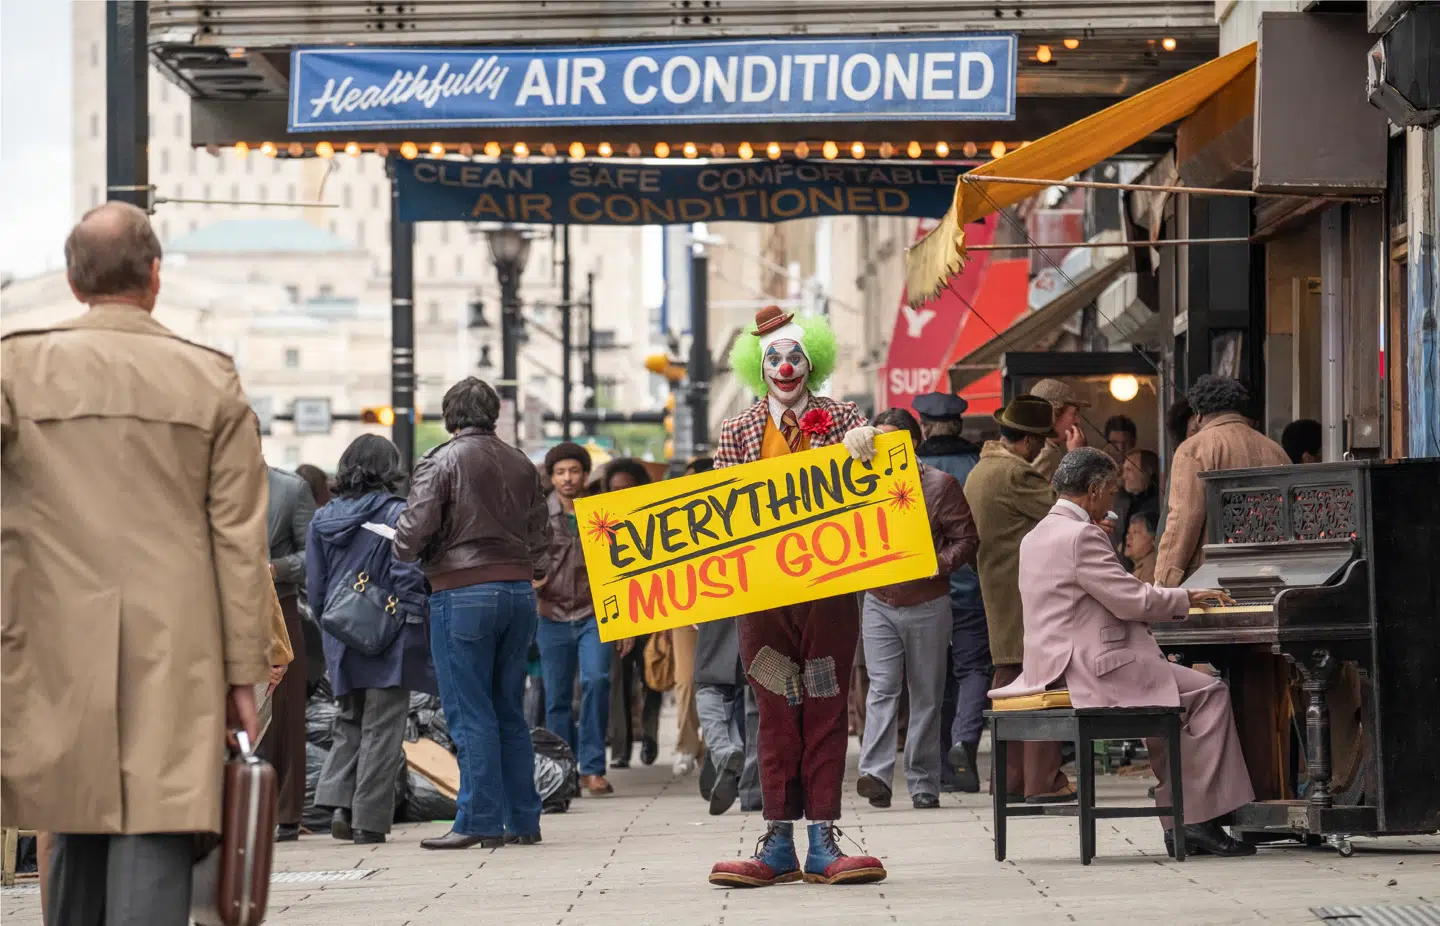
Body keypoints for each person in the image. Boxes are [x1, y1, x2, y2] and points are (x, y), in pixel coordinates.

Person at [2, 201, 272, 921]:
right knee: (158, 818)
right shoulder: (208, 377)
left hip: (50, 637)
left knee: (72, 819)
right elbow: (238, 540)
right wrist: (245, 670)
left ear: (71, 278)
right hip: (175, 643)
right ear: (155, 275)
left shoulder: (14, 367)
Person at [992, 448, 1256, 857]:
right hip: (1091, 667)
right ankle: (1196, 820)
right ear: (1094, 489)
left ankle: (1184, 816)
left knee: (1168, 695)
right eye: (1110, 492)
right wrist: (1185, 597)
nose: (1112, 501)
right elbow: (1131, 599)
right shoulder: (1080, 535)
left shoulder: (1037, 534)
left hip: (1050, 665)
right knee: (1209, 694)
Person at [707, 306, 887, 888]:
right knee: (774, 705)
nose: (786, 367)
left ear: (813, 362)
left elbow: (886, 478)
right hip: (763, 596)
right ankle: (779, 837)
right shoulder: (736, 430)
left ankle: (824, 837)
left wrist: (873, 441)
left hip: (829, 592)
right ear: (759, 368)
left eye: (795, 357)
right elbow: (716, 513)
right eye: (774, 359)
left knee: (828, 701)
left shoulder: (843, 416)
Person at [395, 376, 549, 850]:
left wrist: (406, 544)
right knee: (508, 708)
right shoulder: (522, 463)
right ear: (494, 414)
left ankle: (478, 818)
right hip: (518, 592)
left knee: (469, 708)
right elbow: (542, 536)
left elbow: (410, 536)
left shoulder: (440, 461)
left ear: (449, 416)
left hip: (461, 593)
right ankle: (523, 817)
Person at [307, 435, 435, 844]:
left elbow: (316, 587)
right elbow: (407, 574)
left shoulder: (321, 518)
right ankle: (369, 819)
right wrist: (415, 615)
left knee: (349, 721)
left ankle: (339, 804)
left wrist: (334, 625)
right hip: (388, 636)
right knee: (383, 726)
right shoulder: (398, 514)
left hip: (341, 635)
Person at [855, 409, 978, 811]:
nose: (882, 448)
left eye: (892, 440)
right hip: (879, 602)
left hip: (928, 604)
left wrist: (937, 563)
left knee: (926, 694)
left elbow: (967, 539)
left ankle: (924, 781)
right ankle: (875, 773)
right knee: (883, 687)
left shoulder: (940, 485)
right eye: (878, 440)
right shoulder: (860, 484)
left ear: (911, 443)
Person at [963, 394, 1072, 804]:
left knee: (1011, 687)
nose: (1043, 448)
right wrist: (1071, 458)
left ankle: (1012, 782)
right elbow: (1065, 507)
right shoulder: (1015, 475)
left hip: (998, 589)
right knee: (1040, 686)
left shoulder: (982, 470)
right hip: (1025, 596)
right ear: (1027, 442)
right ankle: (1042, 782)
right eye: (1042, 443)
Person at [912, 391, 988, 793]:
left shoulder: (912, 468)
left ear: (923, 426)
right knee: (974, 667)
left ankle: (942, 765)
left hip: (924, 592)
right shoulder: (977, 465)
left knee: (933, 678)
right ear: (959, 425)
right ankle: (966, 743)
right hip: (973, 586)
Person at [1155, 376, 1291, 588]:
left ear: (1198, 414)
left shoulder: (1193, 448)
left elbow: (1184, 517)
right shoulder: (1274, 449)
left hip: (1209, 579)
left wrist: (1164, 579)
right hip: (1269, 576)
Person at [534, 442, 614, 797]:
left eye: (574, 470)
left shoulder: (602, 511)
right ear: (551, 477)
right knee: (557, 696)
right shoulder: (536, 516)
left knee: (597, 680)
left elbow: (620, 564)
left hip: (594, 613)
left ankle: (593, 768)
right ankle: (562, 771)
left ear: (585, 474)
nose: (568, 478)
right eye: (560, 472)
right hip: (549, 615)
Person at [262, 455, 318, 841]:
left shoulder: (289, 489)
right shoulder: (206, 484)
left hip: (278, 605)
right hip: (219, 607)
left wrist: (276, 568)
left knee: (285, 714)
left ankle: (285, 812)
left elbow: (311, 554)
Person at [604, 457, 663, 769]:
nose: (619, 493)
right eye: (614, 489)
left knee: (653, 674)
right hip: (616, 616)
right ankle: (621, 749)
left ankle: (650, 734)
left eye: (626, 488)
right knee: (618, 680)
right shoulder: (600, 525)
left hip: (652, 611)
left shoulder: (653, 518)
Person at [668, 458, 715, 777]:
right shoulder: (673, 519)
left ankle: (714, 747)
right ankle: (686, 745)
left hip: (724, 612)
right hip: (683, 611)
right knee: (686, 680)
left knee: (720, 680)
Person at [694, 617, 762, 815]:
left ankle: (724, 749)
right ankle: (754, 790)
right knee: (758, 691)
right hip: (759, 602)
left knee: (711, 685)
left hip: (716, 599)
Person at [1029, 378, 1090, 481]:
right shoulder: (1045, 454)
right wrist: (1076, 457)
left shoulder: (1041, 447)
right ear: (1054, 414)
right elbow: (1062, 495)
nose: (1077, 421)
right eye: (1073, 414)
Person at [1113, 448, 1161, 564]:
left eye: (1129, 470)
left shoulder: (1161, 501)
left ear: (1147, 471)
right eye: (1123, 471)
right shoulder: (1120, 499)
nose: (1124, 476)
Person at [1126, 510, 1160, 584]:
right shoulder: (1141, 567)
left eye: (1135, 532)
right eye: (1128, 532)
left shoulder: (1151, 568)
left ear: (1154, 539)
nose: (1128, 537)